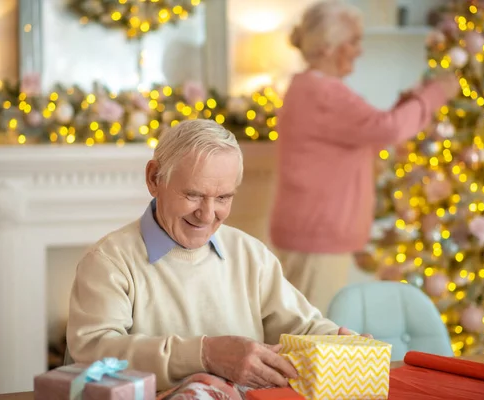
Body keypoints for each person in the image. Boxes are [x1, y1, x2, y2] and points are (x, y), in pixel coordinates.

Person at [66, 119, 365, 398]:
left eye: (223, 198)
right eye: (193, 195)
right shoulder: (108, 261)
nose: (208, 215)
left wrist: (337, 341)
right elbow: (92, 353)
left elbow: (303, 327)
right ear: (154, 179)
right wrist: (205, 354)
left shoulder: (251, 254)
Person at [269, 0, 461, 315]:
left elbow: (370, 129)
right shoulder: (324, 93)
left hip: (310, 231)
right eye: (354, 41)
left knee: (304, 331)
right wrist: (436, 93)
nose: (360, 50)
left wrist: (410, 102)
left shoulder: (307, 87)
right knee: (311, 338)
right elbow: (387, 129)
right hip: (318, 235)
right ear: (329, 47)